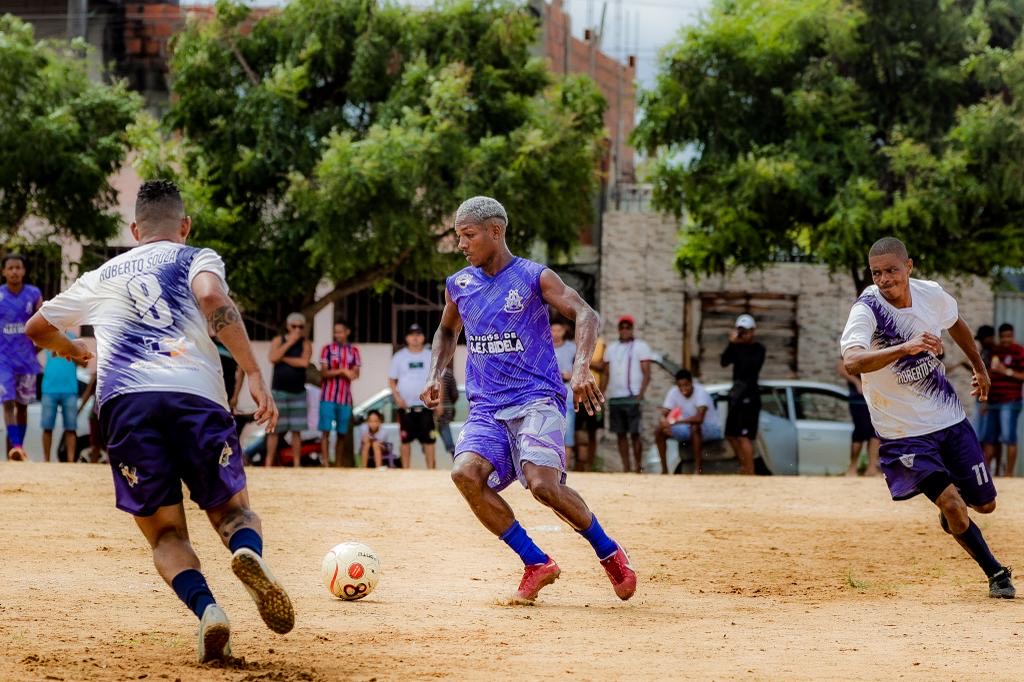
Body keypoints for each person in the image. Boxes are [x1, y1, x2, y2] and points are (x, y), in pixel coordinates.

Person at [25, 179, 294, 662]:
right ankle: (246, 550)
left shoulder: (104, 272)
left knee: (166, 534)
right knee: (234, 512)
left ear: (134, 229)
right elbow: (212, 299)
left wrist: (72, 349)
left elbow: (37, 328)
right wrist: (253, 371)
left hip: (128, 405)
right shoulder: (194, 257)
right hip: (195, 396)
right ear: (184, 226)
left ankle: (209, 611)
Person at [421, 196, 636, 604]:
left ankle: (610, 552)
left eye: (468, 235)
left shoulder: (533, 277)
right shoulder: (459, 285)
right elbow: (446, 331)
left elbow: (586, 314)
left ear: (495, 231)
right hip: (486, 408)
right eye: (458, 237)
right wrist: (436, 372)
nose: (462, 245)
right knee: (464, 474)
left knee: (542, 485)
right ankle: (536, 562)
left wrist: (583, 366)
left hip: (536, 399)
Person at [840, 236, 1014, 599]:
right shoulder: (867, 310)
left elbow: (956, 323)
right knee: (953, 504)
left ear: (909, 266)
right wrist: (904, 347)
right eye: (877, 273)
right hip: (903, 433)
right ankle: (996, 573)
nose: (885, 279)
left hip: (948, 419)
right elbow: (853, 361)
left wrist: (980, 368)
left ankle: (954, 516)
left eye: (891, 270)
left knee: (985, 505)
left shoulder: (930, 294)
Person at [0, 253, 42, 460]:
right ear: (4, 272)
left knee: (22, 406)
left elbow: (43, 325)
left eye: (18, 267)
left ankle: (19, 448)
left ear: (24, 271)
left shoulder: (34, 294)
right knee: (7, 402)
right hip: (3, 361)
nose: (15, 271)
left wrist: (36, 350)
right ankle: (15, 445)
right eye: (10, 268)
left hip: (27, 362)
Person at [602, 315, 652, 473]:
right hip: (616, 397)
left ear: (632, 329)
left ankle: (638, 468)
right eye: (622, 327)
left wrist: (641, 394)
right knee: (620, 434)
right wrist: (602, 394)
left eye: (627, 327)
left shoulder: (641, 346)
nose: (624, 330)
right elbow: (606, 374)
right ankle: (626, 468)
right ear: (618, 329)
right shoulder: (611, 348)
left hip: (633, 396)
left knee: (635, 433)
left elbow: (647, 373)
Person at [654, 369, 722, 475]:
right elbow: (665, 412)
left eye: (686, 385)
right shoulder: (673, 391)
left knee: (695, 427)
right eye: (680, 386)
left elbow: (700, 418)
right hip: (687, 428)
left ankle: (698, 469)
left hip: (710, 428)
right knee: (659, 430)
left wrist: (675, 422)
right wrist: (663, 421)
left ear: (691, 383)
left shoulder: (701, 392)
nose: (683, 389)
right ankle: (664, 470)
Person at [721, 314, 765, 475]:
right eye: (741, 331)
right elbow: (724, 362)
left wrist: (740, 345)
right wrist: (732, 344)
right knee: (731, 434)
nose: (744, 334)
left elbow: (751, 367)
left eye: (747, 331)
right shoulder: (735, 347)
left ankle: (750, 470)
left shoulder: (758, 349)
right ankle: (744, 465)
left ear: (753, 331)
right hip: (736, 396)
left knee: (744, 436)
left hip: (750, 396)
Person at [388, 323, 437, 469]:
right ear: (406, 338)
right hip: (406, 407)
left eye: (418, 334)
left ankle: (431, 471)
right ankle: (406, 470)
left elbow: (437, 378)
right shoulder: (399, 357)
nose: (415, 338)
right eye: (411, 335)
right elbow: (391, 381)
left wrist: (436, 402)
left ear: (423, 337)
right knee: (405, 440)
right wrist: (398, 398)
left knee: (429, 440)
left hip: (426, 406)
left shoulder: (430, 355)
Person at [266, 312, 311, 467]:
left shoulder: (305, 343)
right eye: (294, 326)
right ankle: (268, 463)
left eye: (300, 327)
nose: (297, 330)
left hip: (298, 392)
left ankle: (297, 464)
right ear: (288, 326)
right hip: (279, 391)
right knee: (274, 429)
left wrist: (283, 359)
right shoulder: (279, 340)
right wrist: (289, 343)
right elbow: (272, 358)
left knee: (296, 430)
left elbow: (304, 363)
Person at [982, 323, 1024, 476]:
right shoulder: (995, 352)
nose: (1006, 340)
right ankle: (986, 473)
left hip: (1011, 401)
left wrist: (1006, 371)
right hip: (993, 401)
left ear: (1012, 336)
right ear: (1000, 337)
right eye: (1003, 337)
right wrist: (985, 401)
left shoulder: (1019, 351)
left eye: (1009, 336)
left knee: (1008, 436)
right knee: (989, 437)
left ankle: (1009, 474)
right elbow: (989, 376)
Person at [319, 321, 361, 467]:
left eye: (340, 332)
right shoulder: (327, 349)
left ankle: (337, 463)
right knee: (325, 431)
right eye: (335, 332)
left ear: (347, 332)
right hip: (328, 397)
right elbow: (323, 372)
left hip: (345, 398)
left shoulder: (354, 351)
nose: (337, 335)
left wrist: (350, 373)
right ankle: (325, 463)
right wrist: (342, 371)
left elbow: (356, 374)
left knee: (342, 433)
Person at [40, 330, 84, 462]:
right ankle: (46, 460)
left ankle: (71, 462)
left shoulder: (74, 338)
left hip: (69, 389)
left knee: (71, 428)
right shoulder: (47, 336)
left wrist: (70, 351)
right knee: (47, 427)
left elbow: (84, 363)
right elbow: (33, 349)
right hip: (49, 388)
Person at [836, 357, 880, 476]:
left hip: (875, 395)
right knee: (860, 430)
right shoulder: (852, 341)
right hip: (858, 396)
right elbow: (841, 366)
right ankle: (852, 467)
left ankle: (871, 468)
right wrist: (857, 383)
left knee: (875, 430)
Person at [574, 335, 607, 472]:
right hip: (578, 393)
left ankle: (590, 465)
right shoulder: (577, 341)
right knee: (577, 431)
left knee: (592, 432)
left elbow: (603, 367)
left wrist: (583, 362)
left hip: (593, 393)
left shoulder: (601, 343)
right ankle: (579, 464)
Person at [550, 318, 577, 462]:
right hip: (549, 394)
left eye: (559, 330)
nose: (556, 333)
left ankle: (565, 467)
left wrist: (571, 375)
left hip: (567, 393)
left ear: (564, 331)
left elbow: (582, 369)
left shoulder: (572, 348)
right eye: (553, 330)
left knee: (568, 432)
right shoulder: (545, 347)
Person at [436, 359, 459, 454]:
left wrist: (446, 405)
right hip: (431, 412)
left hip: (445, 412)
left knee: (445, 431)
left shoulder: (448, 374)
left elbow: (455, 394)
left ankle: (452, 451)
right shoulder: (429, 374)